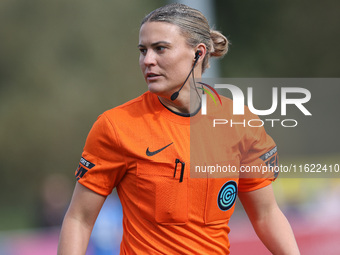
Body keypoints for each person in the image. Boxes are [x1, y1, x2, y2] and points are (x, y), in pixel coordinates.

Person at [58, 3, 300, 254]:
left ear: (198, 53)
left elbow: (266, 214)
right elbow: (79, 219)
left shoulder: (240, 122)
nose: (147, 60)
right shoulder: (116, 126)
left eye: (160, 48)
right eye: (143, 50)